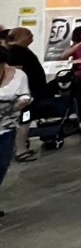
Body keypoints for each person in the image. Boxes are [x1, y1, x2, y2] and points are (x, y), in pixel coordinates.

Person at [5, 28, 47, 163]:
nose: (31, 36)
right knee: (23, 122)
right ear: (20, 37)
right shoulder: (15, 53)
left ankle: (21, 148)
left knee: (25, 121)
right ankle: (20, 150)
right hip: (24, 97)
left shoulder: (21, 51)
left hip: (28, 95)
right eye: (28, 34)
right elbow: (15, 75)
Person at [0, 47, 33, 214]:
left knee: (2, 165)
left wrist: (22, 102)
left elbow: (25, 95)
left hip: (6, 127)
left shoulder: (19, 76)